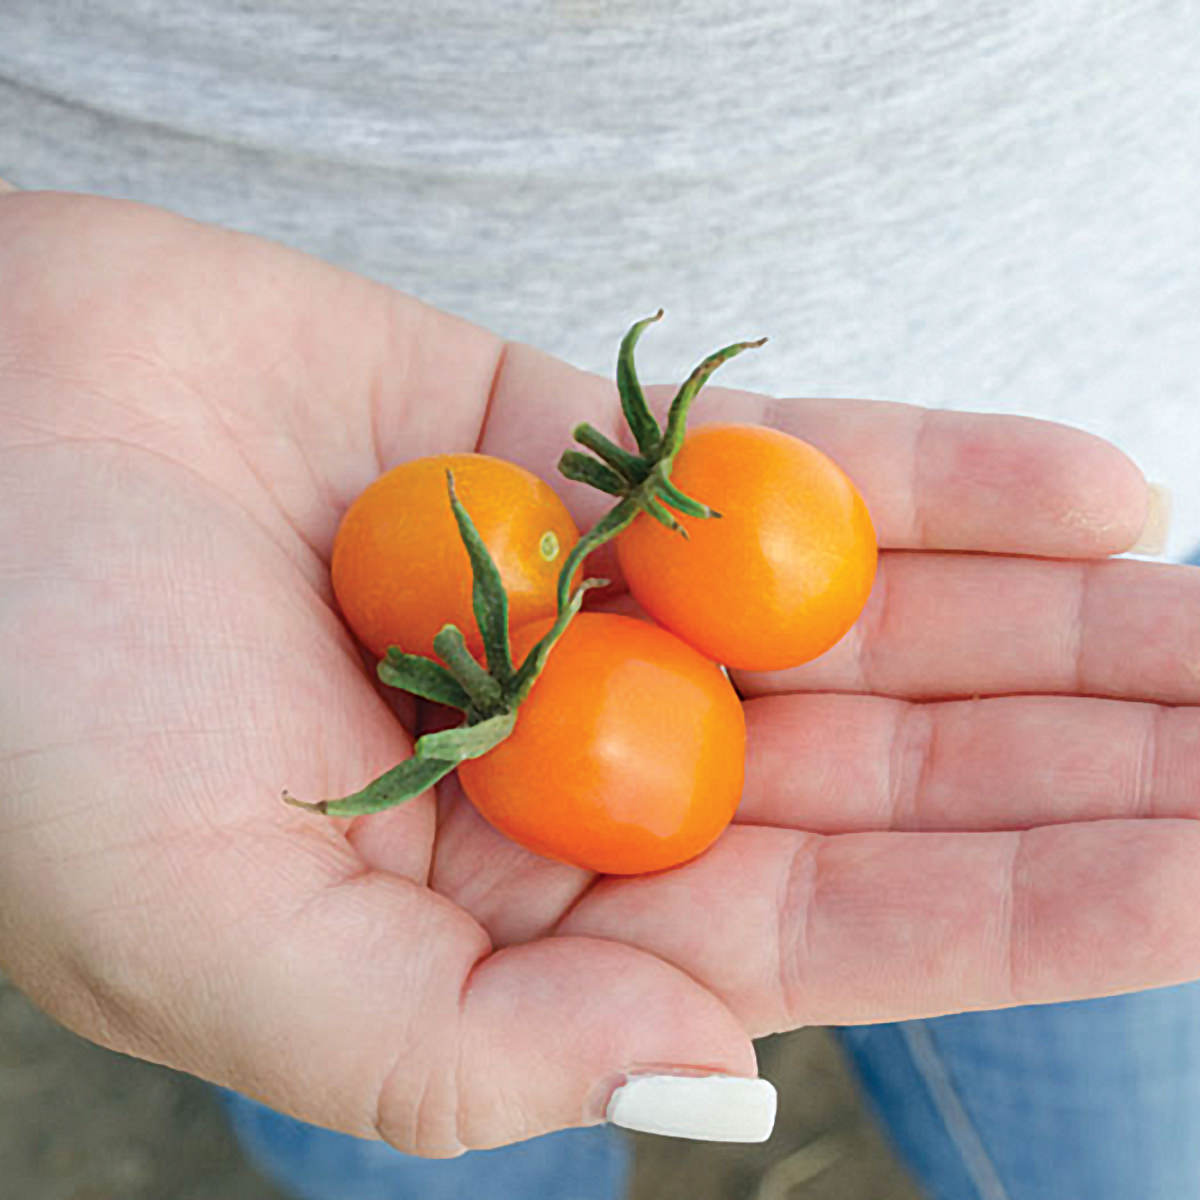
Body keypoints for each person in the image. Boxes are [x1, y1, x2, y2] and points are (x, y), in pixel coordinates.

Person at [1, 5, 1197, 1199]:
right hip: (204, 380)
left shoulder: (554, 619)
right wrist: (39, 333)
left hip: (1073, 321)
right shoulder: (534, 637)